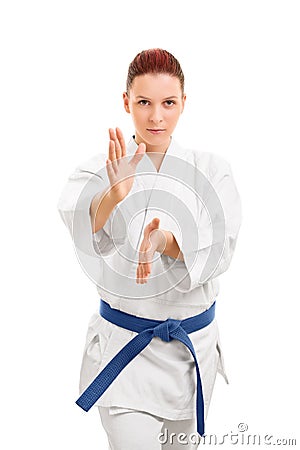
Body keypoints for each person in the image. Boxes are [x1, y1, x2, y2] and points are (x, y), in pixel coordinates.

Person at [57, 48, 242, 449]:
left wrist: (165, 242)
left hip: (191, 359)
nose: (156, 116)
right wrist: (112, 195)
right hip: (127, 354)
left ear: (183, 103)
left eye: (168, 103)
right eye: (144, 102)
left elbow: (220, 249)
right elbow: (80, 224)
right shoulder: (98, 170)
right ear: (127, 102)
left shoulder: (212, 170)